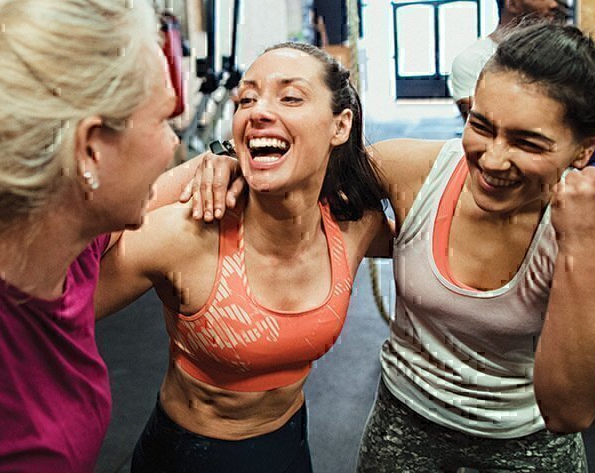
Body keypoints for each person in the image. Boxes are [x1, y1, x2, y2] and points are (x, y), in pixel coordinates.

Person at [186, 22, 595, 473]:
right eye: (481, 126)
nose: (493, 158)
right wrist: (230, 161)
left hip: (526, 442)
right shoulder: (414, 172)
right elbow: (301, 166)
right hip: (405, 423)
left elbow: (570, 412)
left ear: (584, 150)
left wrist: (581, 246)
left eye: (527, 142)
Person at [0, 0, 180, 471]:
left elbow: (159, 193)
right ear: (90, 149)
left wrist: (222, 160)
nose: (175, 142)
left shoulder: (61, 250)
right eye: (163, 121)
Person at [95, 42, 391, 473]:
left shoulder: (353, 225)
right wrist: (191, 170)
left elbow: (443, 228)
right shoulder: (188, 232)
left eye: (290, 97)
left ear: (340, 125)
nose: (257, 111)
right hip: (188, 456)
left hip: (290, 446)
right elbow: (56, 302)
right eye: (246, 99)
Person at [448, 0, 560, 120]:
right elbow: (483, 126)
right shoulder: (472, 60)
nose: (554, 5)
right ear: (512, 4)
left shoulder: (560, 54)